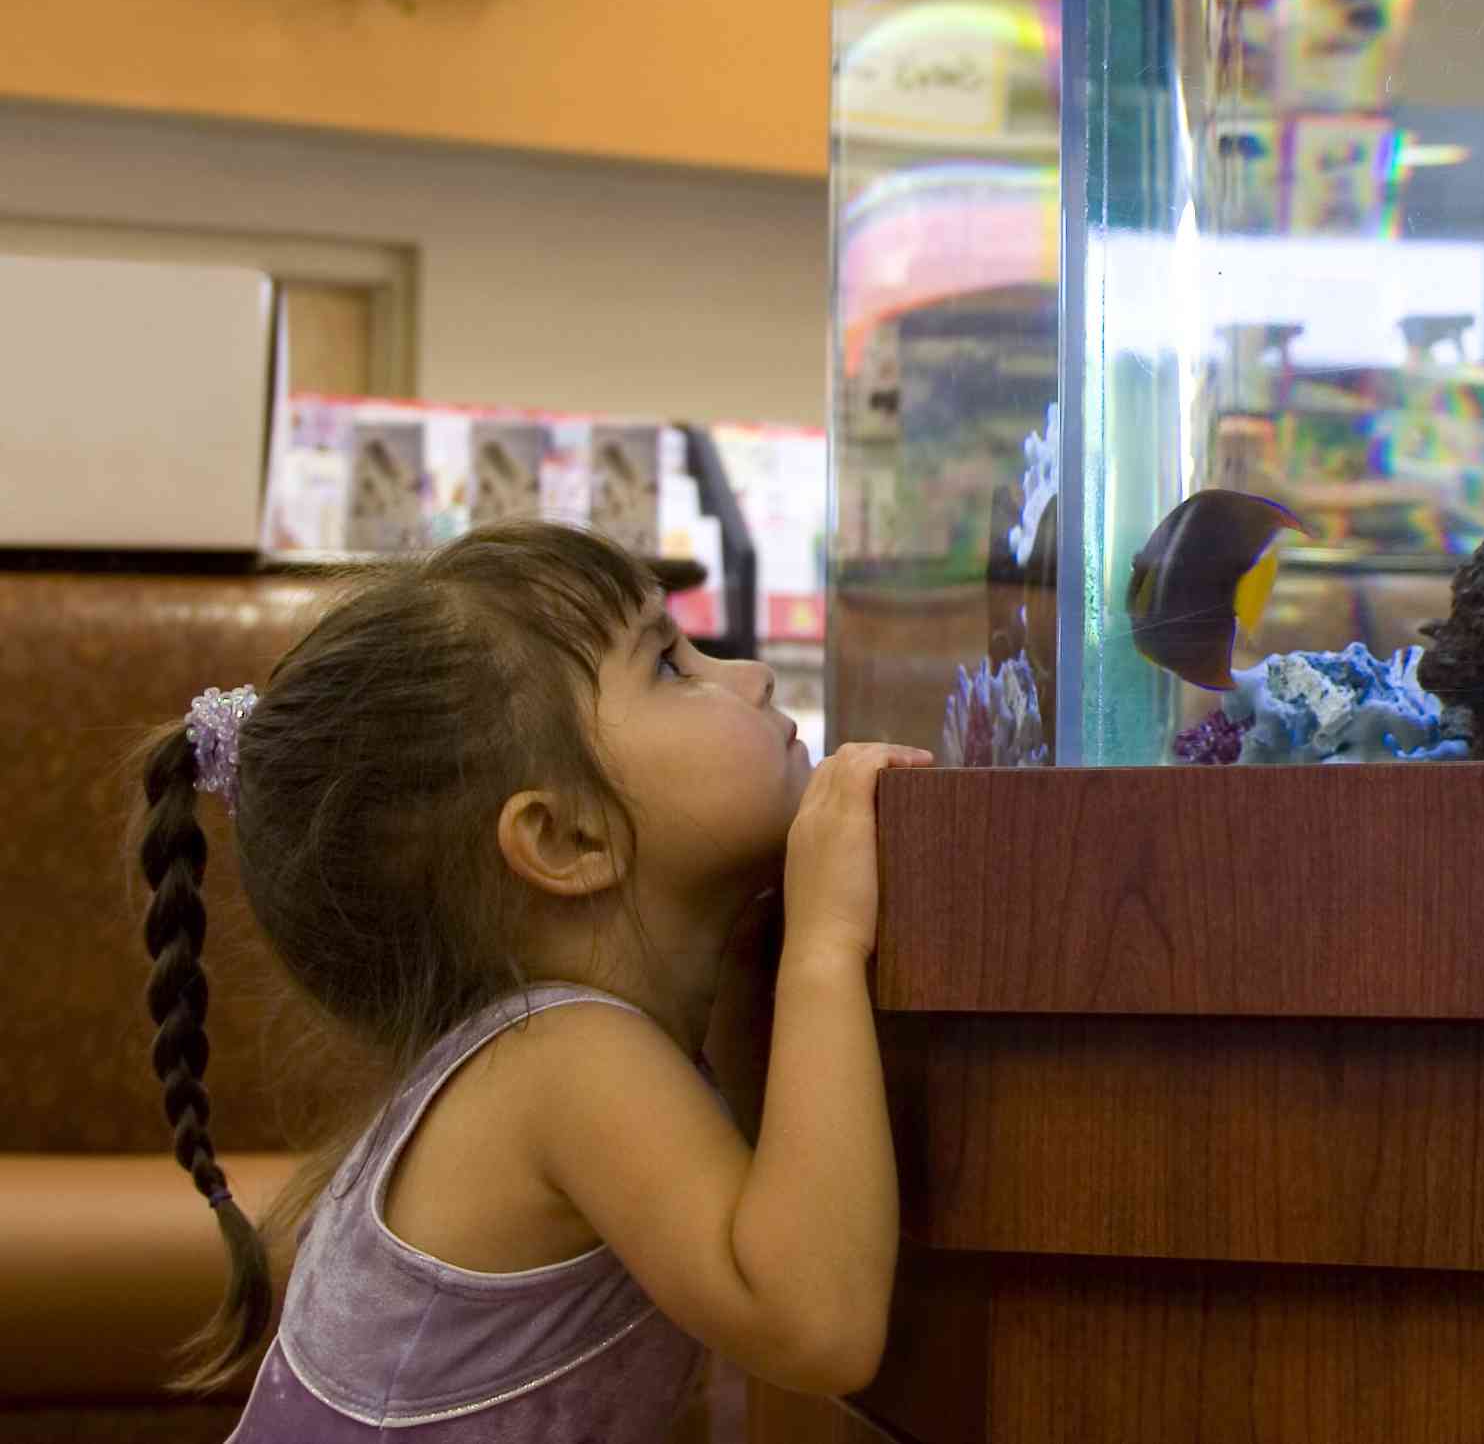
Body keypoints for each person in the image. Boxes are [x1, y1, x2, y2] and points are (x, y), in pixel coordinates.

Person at [130, 521, 929, 1439]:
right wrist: (827, 944)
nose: (749, 674)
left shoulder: (553, 1051)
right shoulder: (568, 1058)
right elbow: (813, 1322)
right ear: (564, 840)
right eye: (669, 665)